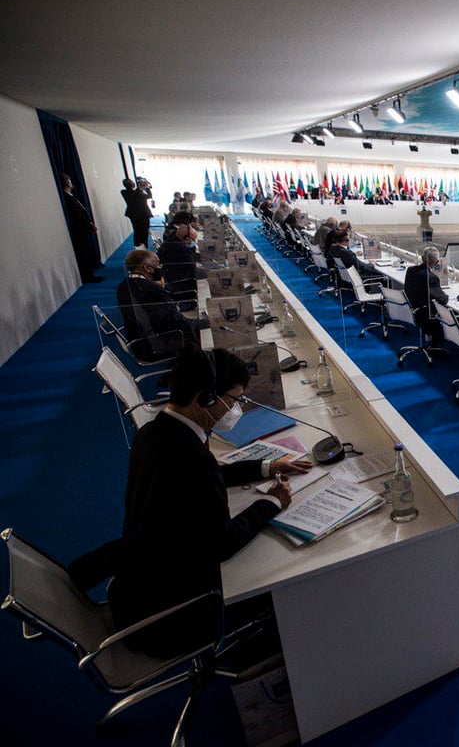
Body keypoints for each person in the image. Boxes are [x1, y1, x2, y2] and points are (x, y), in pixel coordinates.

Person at [106, 347, 312, 658]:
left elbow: (204, 474)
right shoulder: (192, 460)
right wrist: (272, 501)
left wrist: (266, 467)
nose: (237, 408)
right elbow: (223, 543)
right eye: (234, 400)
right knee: (281, 576)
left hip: (135, 589)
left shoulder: (153, 433)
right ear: (205, 398)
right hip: (173, 616)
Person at [117, 248, 200, 361]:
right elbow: (175, 320)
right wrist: (198, 323)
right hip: (158, 343)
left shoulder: (124, 285)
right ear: (147, 267)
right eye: (157, 264)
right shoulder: (151, 289)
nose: (160, 267)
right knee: (209, 327)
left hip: (142, 341)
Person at [403, 246, 449, 348]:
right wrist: (446, 295)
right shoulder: (431, 277)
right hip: (424, 316)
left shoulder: (410, 270)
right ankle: (436, 345)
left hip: (410, 310)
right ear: (437, 262)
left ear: (422, 258)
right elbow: (442, 300)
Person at [61, 174, 103, 283]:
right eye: (69, 181)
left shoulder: (70, 197)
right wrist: (89, 225)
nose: (71, 183)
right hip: (80, 230)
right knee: (85, 253)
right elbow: (78, 215)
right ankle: (88, 276)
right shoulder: (67, 198)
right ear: (67, 183)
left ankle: (90, 273)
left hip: (84, 228)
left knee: (88, 252)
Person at [156, 221, 201, 305]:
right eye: (193, 240)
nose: (194, 242)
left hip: (172, 278)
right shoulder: (181, 249)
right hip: (181, 283)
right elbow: (193, 270)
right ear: (186, 238)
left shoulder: (172, 239)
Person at [121, 177, 153, 248]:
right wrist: (143, 187)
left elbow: (148, 196)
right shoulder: (131, 192)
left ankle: (140, 247)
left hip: (136, 214)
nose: (134, 183)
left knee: (139, 231)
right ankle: (142, 247)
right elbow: (146, 196)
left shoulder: (126, 192)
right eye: (132, 182)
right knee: (142, 231)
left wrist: (145, 187)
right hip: (141, 214)